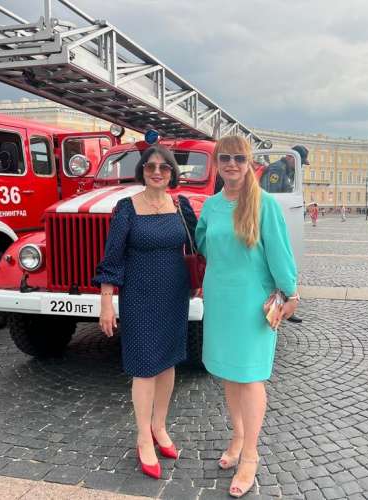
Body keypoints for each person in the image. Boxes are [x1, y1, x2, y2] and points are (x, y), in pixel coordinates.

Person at [195, 136, 298, 498]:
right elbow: (204, 244)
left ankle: (250, 454)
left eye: (239, 158)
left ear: (249, 163)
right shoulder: (210, 206)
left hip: (254, 303)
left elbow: (280, 254)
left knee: (251, 376)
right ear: (217, 164)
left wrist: (291, 292)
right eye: (225, 158)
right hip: (222, 300)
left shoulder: (265, 204)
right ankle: (237, 436)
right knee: (229, 371)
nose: (232, 164)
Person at [93, 145, 197, 480]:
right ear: (142, 170)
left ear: (172, 173)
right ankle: (143, 437)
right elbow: (112, 258)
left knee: (168, 362)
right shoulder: (127, 208)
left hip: (174, 295)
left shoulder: (180, 206)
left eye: (163, 167)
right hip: (139, 296)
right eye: (150, 166)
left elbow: (202, 243)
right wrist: (106, 301)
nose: (156, 172)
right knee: (144, 366)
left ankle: (159, 426)